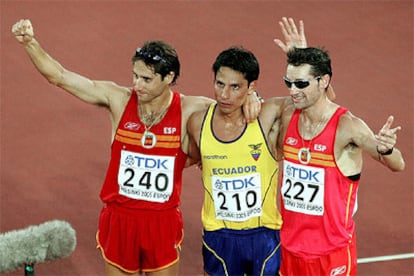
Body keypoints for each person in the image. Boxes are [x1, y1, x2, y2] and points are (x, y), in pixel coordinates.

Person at [11, 19, 261, 276]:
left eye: (146, 79)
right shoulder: (118, 100)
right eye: (135, 76)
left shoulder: (190, 109)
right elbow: (60, 76)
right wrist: (30, 43)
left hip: (161, 223)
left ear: (169, 77)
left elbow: (231, 103)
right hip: (119, 220)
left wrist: (254, 96)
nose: (137, 85)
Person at [277, 46, 405, 275]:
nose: (293, 91)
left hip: (331, 254)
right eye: (289, 83)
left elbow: (398, 164)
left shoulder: (348, 127)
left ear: (324, 81)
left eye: (301, 84)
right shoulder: (289, 116)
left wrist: (387, 149)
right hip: (290, 250)